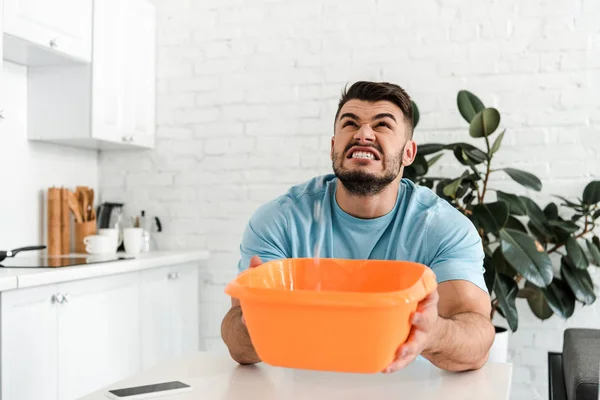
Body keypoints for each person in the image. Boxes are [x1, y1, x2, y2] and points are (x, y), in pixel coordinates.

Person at [221, 81, 495, 373]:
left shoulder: (444, 227)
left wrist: (434, 333)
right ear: (333, 147)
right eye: (350, 124)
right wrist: (256, 321)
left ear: (408, 153)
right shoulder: (280, 220)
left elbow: (477, 343)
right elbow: (238, 346)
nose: (363, 134)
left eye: (383, 125)